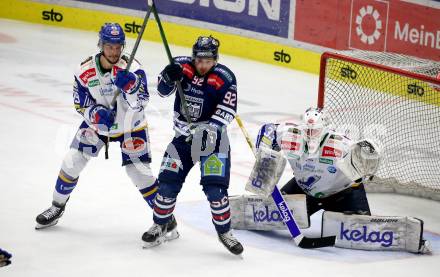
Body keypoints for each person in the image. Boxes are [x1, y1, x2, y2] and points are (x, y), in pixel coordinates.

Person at [35, 23, 168, 231]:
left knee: (139, 173)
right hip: (98, 127)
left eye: (118, 47)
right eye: (109, 47)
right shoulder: (84, 70)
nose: (114, 52)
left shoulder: (132, 68)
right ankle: (57, 206)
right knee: (72, 161)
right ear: (101, 45)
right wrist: (95, 114)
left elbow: (142, 102)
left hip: (130, 127)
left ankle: (165, 219)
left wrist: (131, 87)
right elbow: (81, 103)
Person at [141, 36, 243, 255]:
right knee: (167, 185)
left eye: (207, 61)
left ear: (215, 59)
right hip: (183, 138)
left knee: (215, 190)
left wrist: (209, 129)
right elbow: (161, 91)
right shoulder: (180, 65)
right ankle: (161, 225)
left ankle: (225, 232)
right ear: (193, 56)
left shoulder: (225, 77)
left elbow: (227, 110)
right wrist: (169, 78)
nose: (202, 65)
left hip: (213, 142)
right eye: (199, 60)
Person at [255, 107, 379, 218]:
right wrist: (264, 154)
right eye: (307, 130)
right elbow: (269, 130)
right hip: (303, 189)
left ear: (326, 130)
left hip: (343, 195)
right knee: (267, 213)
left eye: (315, 131)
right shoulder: (292, 136)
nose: (310, 134)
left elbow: (367, 158)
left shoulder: (340, 145)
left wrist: (364, 160)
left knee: (359, 231)